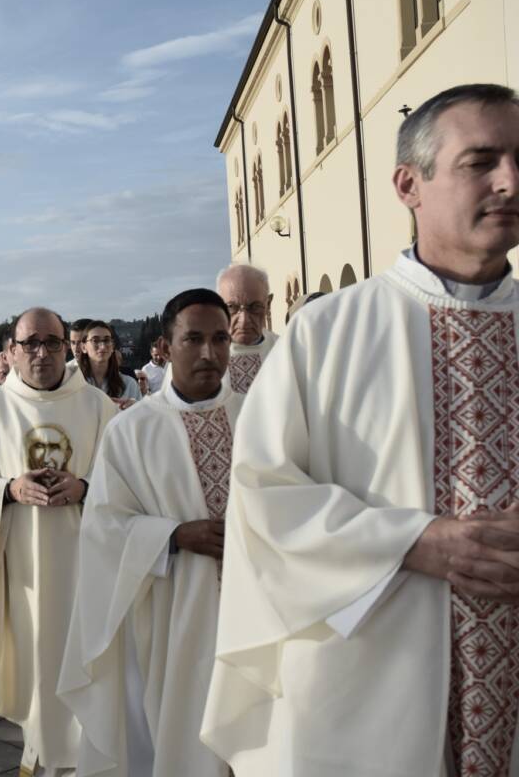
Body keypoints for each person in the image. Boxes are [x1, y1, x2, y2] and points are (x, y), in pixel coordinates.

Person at [201, 83, 519, 775]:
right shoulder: (329, 331)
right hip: (374, 677)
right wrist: (413, 540)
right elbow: (264, 498)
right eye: (481, 160)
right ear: (410, 184)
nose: (510, 181)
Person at [0, 308, 117, 775]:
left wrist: (89, 488)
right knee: (39, 673)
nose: (41, 352)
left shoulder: (99, 409)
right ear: (11, 351)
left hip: (92, 570)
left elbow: (138, 480)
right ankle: (44, 755)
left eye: (51, 342)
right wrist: (6, 490)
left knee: (97, 675)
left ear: (66, 348)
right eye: (29, 343)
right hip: (24, 574)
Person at [59, 289, 238, 777]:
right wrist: (175, 536)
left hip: (254, 611)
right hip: (172, 613)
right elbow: (103, 527)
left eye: (220, 339)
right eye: (194, 338)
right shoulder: (131, 430)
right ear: (166, 344)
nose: (209, 353)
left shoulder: (261, 416)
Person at [215, 263, 276, 393]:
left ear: (268, 305)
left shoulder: (285, 350)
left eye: (254, 307)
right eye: (232, 307)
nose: (244, 321)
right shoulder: (203, 358)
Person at [79, 321, 140, 407]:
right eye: (95, 340)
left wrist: (134, 409)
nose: (102, 346)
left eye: (107, 340)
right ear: (83, 347)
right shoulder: (73, 384)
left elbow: (143, 419)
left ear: (112, 346)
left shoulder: (129, 384)